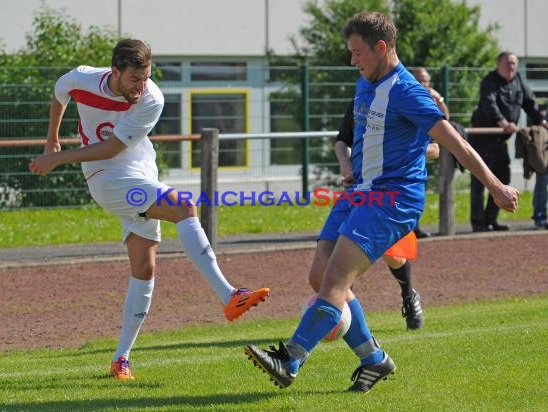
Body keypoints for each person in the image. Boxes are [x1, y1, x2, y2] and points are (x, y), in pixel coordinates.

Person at [243, 11, 519, 394]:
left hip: (392, 200)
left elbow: (455, 143)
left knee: (336, 281)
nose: (353, 61)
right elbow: (393, 142)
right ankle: (373, 359)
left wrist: (496, 186)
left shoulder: (407, 91)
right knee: (320, 277)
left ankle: (290, 358)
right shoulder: (365, 82)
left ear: (382, 48)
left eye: (358, 53)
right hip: (360, 193)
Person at [28, 39, 270, 381]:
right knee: (184, 206)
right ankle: (229, 295)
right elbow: (59, 93)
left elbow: (112, 147)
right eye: (134, 80)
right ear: (114, 72)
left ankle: (120, 359)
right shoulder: (81, 78)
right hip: (105, 179)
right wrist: (52, 138)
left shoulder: (152, 98)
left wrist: (56, 157)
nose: (141, 87)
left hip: (139, 174)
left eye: (146, 78)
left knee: (144, 268)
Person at [333, 100, 437, 329]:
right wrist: (345, 163)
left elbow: (435, 148)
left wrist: (399, 150)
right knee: (341, 250)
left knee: (393, 254)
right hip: (359, 189)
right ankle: (341, 309)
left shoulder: (406, 101)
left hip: (392, 194)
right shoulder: (360, 100)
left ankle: (409, 295)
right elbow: (342, 141)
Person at [470, 51, 548, 232]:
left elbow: (531, 104)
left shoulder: (519, 81)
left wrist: (543, 122)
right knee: (479, 182)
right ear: (498, 64)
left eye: (513, 63)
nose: (511, 67)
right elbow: (489, 104)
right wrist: (503, 123)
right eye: (507, 63)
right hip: (482, 140)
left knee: (503, 179)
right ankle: (478, 223)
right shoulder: (489, 81)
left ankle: (491, 220)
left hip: (500, 141)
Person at [410, 66, 450, 238]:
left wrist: (438, 97)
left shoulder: (431, 99)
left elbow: (446, 119)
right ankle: (408, 229)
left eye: (425, 80)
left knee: (419, 190)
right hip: (408, 150)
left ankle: (415, 227)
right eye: (419, 80)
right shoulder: (407, 97)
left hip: (425, 148)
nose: (422, 84)